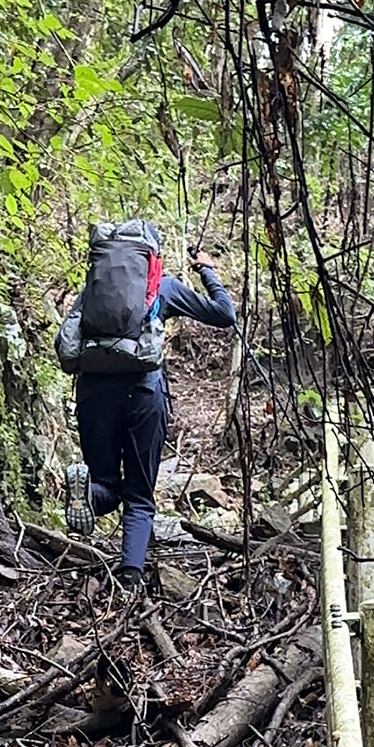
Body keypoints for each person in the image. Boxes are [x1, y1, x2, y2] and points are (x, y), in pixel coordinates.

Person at [55, 220, 237, 589]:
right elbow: (224, 314)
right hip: (143, 395)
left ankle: (87, 491)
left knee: (105, 481)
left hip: (93, 394)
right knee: (139, 492)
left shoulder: (92, 291)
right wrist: (208, 271)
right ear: (152, 258)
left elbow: (70, 339)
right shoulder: (162, 290)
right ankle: (130, 576)